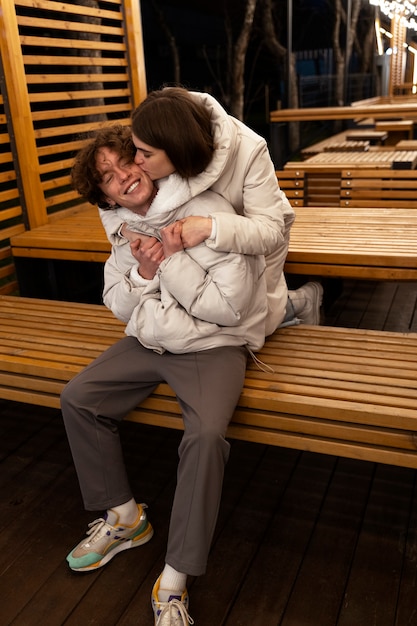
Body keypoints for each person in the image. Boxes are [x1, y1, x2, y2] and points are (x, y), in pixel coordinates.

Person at [61, 124, 268, 626]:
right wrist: (143, 274)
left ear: (146, 159)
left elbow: (231, 307)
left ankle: (175, 576)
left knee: (205, 434)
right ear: (103, 194)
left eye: (125, 162)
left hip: (212, 345)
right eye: (107, 177)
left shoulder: (206, 209)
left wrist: (169, 261)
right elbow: (115, 302)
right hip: (150, 339)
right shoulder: (117, 226)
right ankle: (125, 517)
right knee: (79, 397)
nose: (122, 178)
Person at [100, 86, 323, 335]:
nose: (137, 162)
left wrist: (209, 226)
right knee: (206, 306)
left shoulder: (249, 149)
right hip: (194, 239)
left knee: (258, 318)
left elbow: (270, 232)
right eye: (135, 150)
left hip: (253, 229)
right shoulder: (157, 132)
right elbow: (109, 197)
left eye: (145, 154)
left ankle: (303, 301)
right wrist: (126, 230)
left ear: (176, 149)